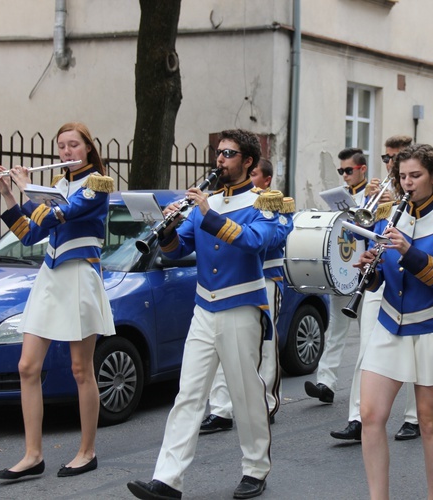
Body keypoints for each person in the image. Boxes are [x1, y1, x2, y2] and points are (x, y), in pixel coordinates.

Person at [127, 129, 280, 500]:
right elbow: (180, 250)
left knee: (245, 394)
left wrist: (208, 214)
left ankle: (255, 468)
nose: (220, 160)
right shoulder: (201, 203)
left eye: (228, 154)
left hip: (241, 305)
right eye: (218, 153)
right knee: (189, 394)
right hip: (204, 308)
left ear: (247, 161)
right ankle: (167, 479)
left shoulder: (267, 202)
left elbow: (256, 242)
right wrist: (166, 232)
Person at [0, 122, 116, 480]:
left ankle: (87, 451)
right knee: (27, 367)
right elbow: (31, 234)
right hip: (50, 277)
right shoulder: (59, 186)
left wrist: (27, 188)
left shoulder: (97, 185)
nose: (66, 152)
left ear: (88, 149)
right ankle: (33, 455)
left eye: (73, 145)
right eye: (61, 146)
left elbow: (62, 213)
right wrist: (8, 195)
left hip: (79, 275)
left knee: (82, 370)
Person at [359, 144, 433, 500]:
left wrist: (409, 251)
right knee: (370, 416)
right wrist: (370, 271)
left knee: (428, 422)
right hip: (390, 323)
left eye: (415, 176)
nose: (407, 183)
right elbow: (384, 278)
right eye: (403, 177)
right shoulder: (389, 214)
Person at [330, 135, 422, 442]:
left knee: (413, 351)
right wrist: (367, 206)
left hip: (409, 280)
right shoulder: (377, 191)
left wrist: (396, 204)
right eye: (386, 158)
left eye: (395, 157)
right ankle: (357, 417)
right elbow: (362, 232)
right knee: (366, 349)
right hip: (377, 276)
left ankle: (414, 416)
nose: (390, 164)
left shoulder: (419, 192)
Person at [200, 158, 294, 433]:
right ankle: (221, 410)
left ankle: (267, 403)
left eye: (254, 174)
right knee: (220, 344)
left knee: (265, 345)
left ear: (266, 180)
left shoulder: (275, 204)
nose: (248, 178)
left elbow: (273, 239)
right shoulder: (226, 203)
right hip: (233, 283)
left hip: (265, 279)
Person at [304, 148, 370, 406]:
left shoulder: (375, 195)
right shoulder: (341, 196)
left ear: (362, 169)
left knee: (368, 334)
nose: (344, 175)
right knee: (335, 330)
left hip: (367, 272)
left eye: (348, 170)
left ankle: (367, 387)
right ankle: (326, 383)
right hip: (343, 270)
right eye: (341, 171)